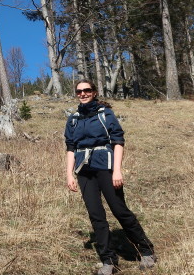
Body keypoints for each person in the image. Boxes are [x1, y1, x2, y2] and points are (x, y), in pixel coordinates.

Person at [65, 80, 156, 275]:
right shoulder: (73, 119)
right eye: (79, 91)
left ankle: (146, 250)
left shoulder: (104, 114)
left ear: (94, 92)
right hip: (84, 171)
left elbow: (118, 141)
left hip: (106, 168)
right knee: (96, 215)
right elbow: (71, 148)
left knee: (119, 210)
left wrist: (117, 170)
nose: (83, 94)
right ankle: (109, 261)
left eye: (87, 90)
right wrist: (69, 175)